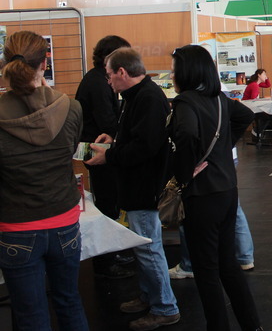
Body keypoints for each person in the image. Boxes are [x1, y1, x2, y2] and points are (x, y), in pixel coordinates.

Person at [168, 45, 262, 331]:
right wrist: (221, 150)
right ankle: (252, 326)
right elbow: (245, 116)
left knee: (206, 270)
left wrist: (186, 170)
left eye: (174, 70)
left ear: (187, 72)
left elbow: (186, 134)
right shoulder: (219, 99)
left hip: (202, 194)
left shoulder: (185, 102)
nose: (171, 75)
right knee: (227, 265)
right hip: (226, 189)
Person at [0, 31, 90, 331]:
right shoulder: (71, 107)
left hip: (16, 225)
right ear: (44, 63)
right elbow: (70, 150)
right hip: (64, 219)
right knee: (69, 301)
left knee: (30, 314)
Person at [85, 48, 180, 331]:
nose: (108, 81)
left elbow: (145, 147)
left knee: (148, 248)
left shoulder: (148, 98)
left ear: (122, 72)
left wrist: (109, 155)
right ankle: (150, 296)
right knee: (142, 247)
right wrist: (114, 141)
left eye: (109, 75)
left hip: (144, 187)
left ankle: (165, 307)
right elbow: (137, 137)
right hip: (137, 186)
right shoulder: (137, 96)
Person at [75, 34, 135, 280]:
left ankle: (111, 254)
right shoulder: (98, 82)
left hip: (99, 148)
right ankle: (105, 262)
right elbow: (107, 121)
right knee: (106, 203)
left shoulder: (97, 78)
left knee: (109, 201)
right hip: (98, 151)